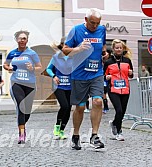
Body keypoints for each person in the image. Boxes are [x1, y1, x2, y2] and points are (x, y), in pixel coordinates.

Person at [62, 8, 108, 150]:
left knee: (98, 101)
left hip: (96, 73)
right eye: (92, 23)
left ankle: (94, 135)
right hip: (79, 74)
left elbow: (103, 45)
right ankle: (76, 135)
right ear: (86, 19)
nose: (95, 26)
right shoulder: (76, 30)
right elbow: (65, 49)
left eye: (97, 23)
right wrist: (78, 49)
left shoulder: (101, 30)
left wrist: (105, 54)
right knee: (80, 107)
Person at [3, 30, 42, 144]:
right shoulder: (12, 53)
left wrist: (33, 68)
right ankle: (21, 133)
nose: (22, 40)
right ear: (16, 40)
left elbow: (39, 67)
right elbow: (5, 64)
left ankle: (23, 126)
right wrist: (8, 68)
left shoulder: (32, 53)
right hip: (17, 82)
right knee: (21, 105)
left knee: (27, 110)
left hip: (30, 84)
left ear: (27, 40)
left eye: (24, 38)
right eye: (20, 38)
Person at [104, 39, 134, 141]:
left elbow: (131, 75)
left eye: (120, 48)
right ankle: (119, 131)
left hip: (125, 89)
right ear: (113, 49)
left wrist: (130, 73)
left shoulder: (127, 61)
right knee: (119, 110)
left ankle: (114, 123)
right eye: (117, 48)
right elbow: (103, 76)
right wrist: (107, 77)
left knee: (123, 112)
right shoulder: (108, 62)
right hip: (113, 89)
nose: (119, 49)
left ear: (123, 49)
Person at [46, 37, 72, 140]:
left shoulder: (73, 58)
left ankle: (62, 130)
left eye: (70, 45)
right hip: (59, 85)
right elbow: (48, 69)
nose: (67, 47)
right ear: (62, 46)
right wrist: (54, 76)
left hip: (70, 86)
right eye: (66, 45)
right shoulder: (56, 57)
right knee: (64, 106)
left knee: (69, 108)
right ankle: (57, 126)